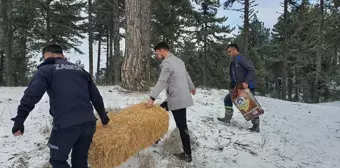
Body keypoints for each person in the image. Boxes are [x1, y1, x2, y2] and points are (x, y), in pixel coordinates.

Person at [10, 44, 110, 168]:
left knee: (57, 161)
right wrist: (103, 117)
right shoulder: (80, 70)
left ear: (47, 56)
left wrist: (19, 120)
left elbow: (31, 96)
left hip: (65, 125)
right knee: (80, 162)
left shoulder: (46, 70)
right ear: (62, 55)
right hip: (88, 124)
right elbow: (96, 96)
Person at [146, 42, 196, 163]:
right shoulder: (178, 60)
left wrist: (152, 98)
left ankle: (188, 155)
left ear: (162, 51)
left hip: (177, 99)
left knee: (182, 126)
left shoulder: (167, 63)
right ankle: (156, 138)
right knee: (159, 112)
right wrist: (191, 87)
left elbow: (161, 81)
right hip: (178, 96)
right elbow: (186, 75)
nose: (156, 55)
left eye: (157, 53)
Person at [217, 43, 260, 133]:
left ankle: (256, 125)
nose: (229, 54)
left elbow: (251, 70)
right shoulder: (234, 61)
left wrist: (246, 82)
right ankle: (227, 118)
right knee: (228, 99)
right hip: (238, 87)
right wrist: (232, 86)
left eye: (229, 52)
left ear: (234, 50)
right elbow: (234, 75)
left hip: (246, 86)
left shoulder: (241, 58)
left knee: (250, 105)